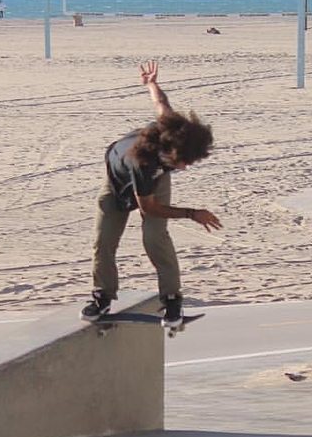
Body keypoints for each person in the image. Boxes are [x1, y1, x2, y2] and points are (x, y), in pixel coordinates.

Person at [81, 61, 222, 326]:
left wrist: (151, 83)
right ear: (171, 152)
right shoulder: (143, 164)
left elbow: (161, 103)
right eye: (184, 162)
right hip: (118, 182)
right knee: (104, 240)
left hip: (153, 179)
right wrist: (192, 213)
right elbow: (149, 208)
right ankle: (102, 296)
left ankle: (172, 300)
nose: (186, 167)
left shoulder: (171, 129)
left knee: (154, 237)